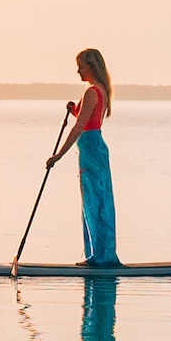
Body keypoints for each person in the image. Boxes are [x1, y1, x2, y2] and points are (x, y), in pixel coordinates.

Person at [60, 45, 115, 270]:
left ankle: (99, 257)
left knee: (95, 202)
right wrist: (74, 108)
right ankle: (98, 254)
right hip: (94, 149)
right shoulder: (99, 89)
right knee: (96, 201)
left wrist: (57, 156)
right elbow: (86, 117)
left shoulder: (92, 92)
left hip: (91, 151)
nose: (78, 72)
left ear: (91, 67)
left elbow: (78, 128)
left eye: (80, 67)